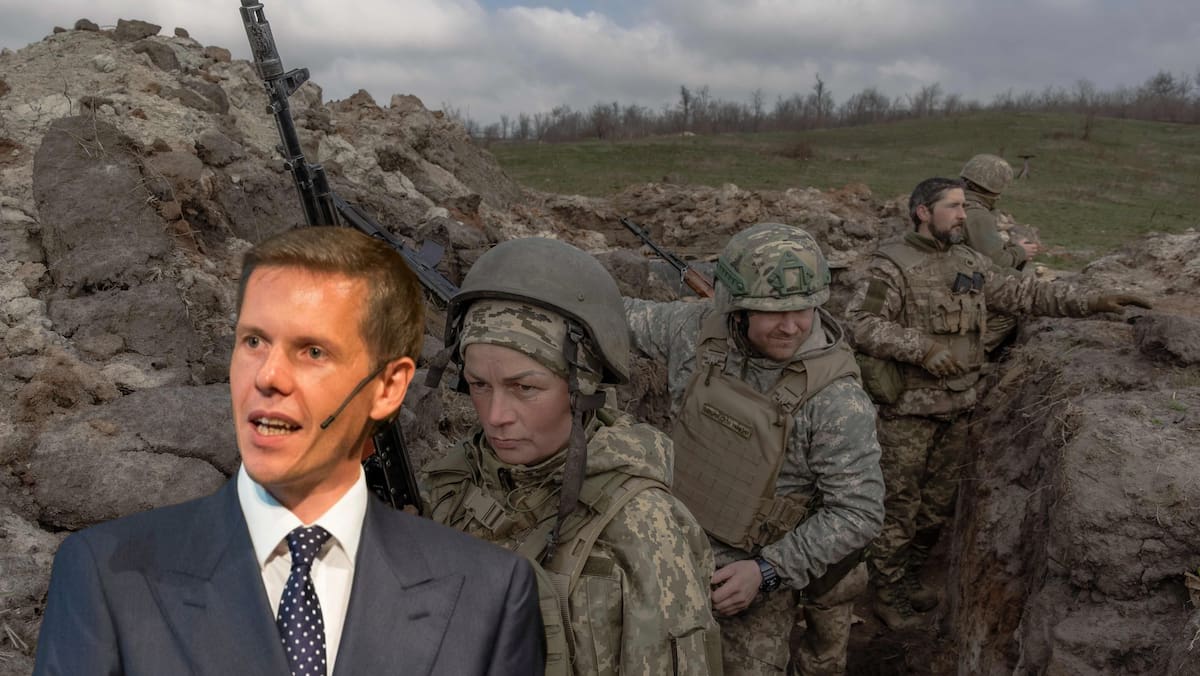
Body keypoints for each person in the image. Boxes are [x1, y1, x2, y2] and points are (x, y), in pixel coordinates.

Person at [34, 227, 543, 675]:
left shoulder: (490, 594)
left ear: (388, 387)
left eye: (313, 351)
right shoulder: (107, 576)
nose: (268, 376)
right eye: (254, 342)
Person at [844, 177, 1151, 631]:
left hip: (957, 406)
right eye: (953, 207)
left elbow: (1026, 294)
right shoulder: (891, 265)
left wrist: (1093, 301)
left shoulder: (968, 261)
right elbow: (860, 322)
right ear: (923, 212)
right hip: (906, 413)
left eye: (964, 206)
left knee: (936, 509)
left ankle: (909, 578)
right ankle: (888, 596)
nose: (963, 215)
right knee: (899, 510)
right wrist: (923, 348)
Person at [422, 237, 722, 676]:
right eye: (479, 385)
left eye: (525, 388)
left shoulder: (643, 526)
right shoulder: (450, 486)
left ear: (581, 389)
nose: (496, 416)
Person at [625, 223, 885, 676]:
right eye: (772, 312)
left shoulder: (837, 401)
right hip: (667, 542)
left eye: (803, 309)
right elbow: (615, 315)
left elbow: (858, 511)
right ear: (738, 308)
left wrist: (766, 571)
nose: (791, 326)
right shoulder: (695, 332)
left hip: (750, 576)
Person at [960, 153, 1039, 351]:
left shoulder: (953, 202)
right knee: (1014, 308)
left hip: (950, 277)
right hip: (962, 286)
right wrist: (1021, 252)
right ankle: (974, 352)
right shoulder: (977, 215)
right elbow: (997, 262)